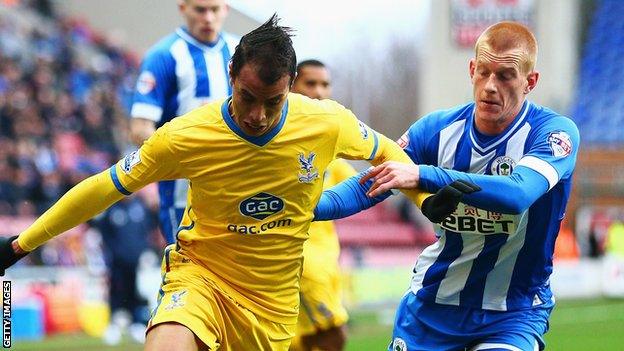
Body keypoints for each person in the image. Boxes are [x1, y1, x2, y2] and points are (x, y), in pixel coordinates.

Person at [0, 16, 463, 351]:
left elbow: (387, 153)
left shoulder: (325, 122)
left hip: (271, 306)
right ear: (230, 77)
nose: (258, 115)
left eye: (273, 101)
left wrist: (423, 196)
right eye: (246, 97)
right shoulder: (185, 135)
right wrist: (22, 244)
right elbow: (103, 187)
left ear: (289, 88)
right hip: (200, 276)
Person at [317, 21, 580, 351]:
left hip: (512, 311)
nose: (489, 86)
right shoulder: (436, 130)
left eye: (505, 76)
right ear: (471, 70)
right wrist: (303, 209)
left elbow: (517, 193)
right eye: (483, 72)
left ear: (530, 82)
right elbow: (372, 183)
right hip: (432, 308)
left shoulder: (554, 133)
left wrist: (424, 175)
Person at [130, 0, 237, 244]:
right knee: (183, 273)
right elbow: (139, 128)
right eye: (200, 10)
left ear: (226, 9)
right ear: (183, 8)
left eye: (214, 9)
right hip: (181, 195)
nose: (208, 18)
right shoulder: (163, 55)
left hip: (236, 191)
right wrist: (189, 149)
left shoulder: (241, 52)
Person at [289, 60, 354, 351]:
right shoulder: (279, 138)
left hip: (327, 259)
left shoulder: (332, 143)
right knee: (334, 335)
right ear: (291, 86)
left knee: (297, 340)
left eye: (325, 85)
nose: (319, 92)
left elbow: (360, 185)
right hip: (299, 259)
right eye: (310, 83)